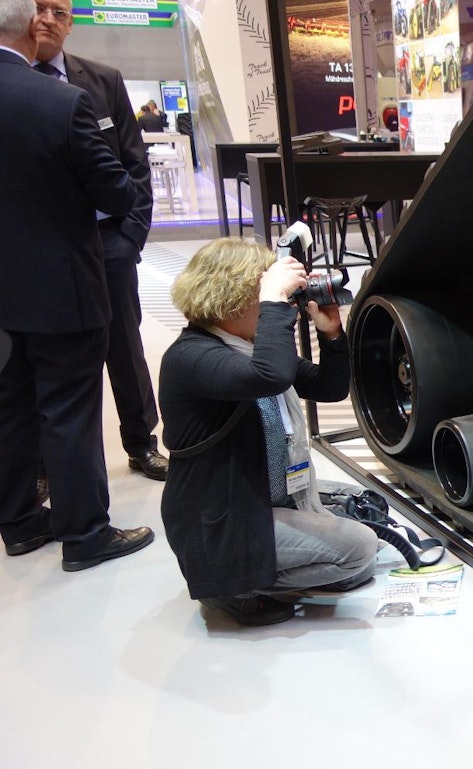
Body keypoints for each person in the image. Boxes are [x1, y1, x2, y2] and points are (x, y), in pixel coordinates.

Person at [0, 0, 155, 570]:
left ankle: (19, 522)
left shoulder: (94, 83)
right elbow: (116, 189)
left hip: (7, 290)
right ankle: (85, 535)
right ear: (27, 25)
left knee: (11, 406)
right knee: (69, 408)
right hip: (64, 281)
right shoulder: (61, 102)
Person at [160, 239, 376, 626]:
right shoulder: (191, 358)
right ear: (234, 299)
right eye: (264, 296)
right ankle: (230, 584)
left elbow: (328, 388)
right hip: (222, 516)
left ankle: (260, 561)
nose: (284, 304)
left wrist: (331, 335)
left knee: (364, 504)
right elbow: (270, 376)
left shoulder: (245, 346)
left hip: (260, 490)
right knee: (359, 550)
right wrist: (274, 300)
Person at [33, 0, 168, 480]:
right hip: (41, 249)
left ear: (71, 24)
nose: (49, 19)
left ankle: (141, 442)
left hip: (109, 241)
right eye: (40, 8)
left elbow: (135, 163)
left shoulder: (102, 80)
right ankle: (43, 464)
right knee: (44, 353)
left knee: (125, 347)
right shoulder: (13, 82)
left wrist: (131, 237)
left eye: (60, 11)